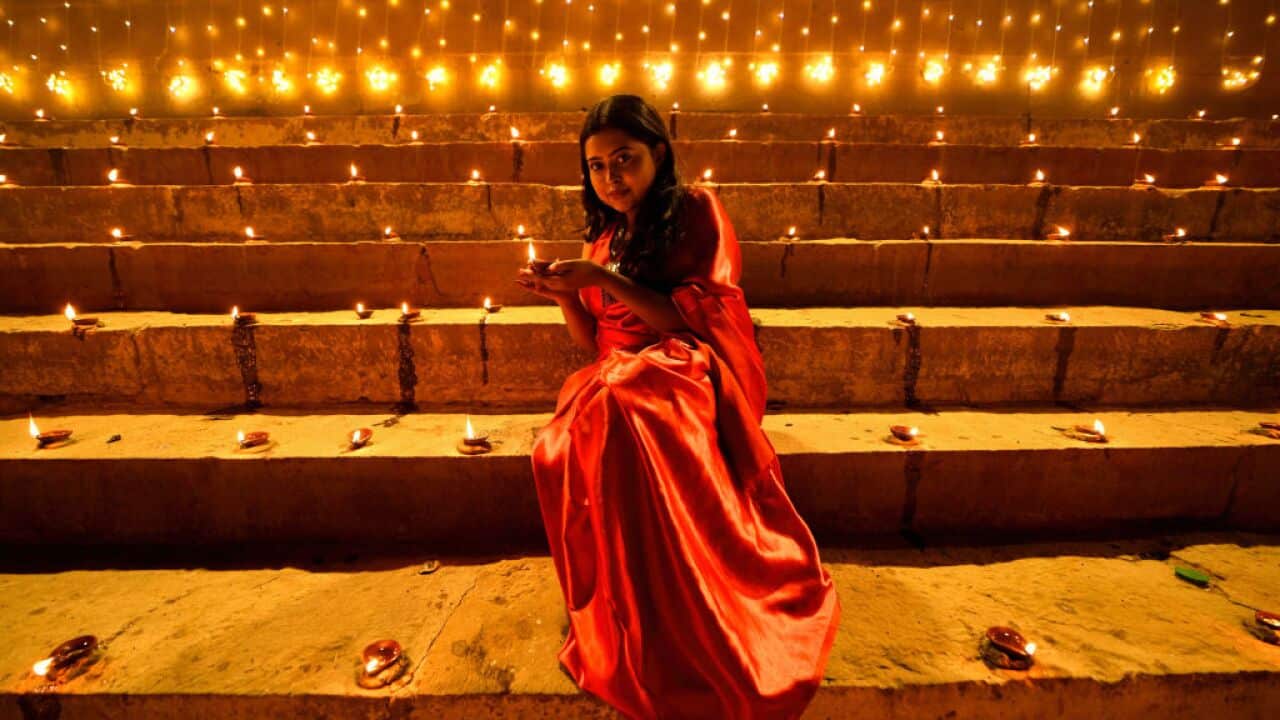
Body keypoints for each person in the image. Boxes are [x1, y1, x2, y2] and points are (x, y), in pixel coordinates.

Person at [517, 94, 840, 720]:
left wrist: (603, 282)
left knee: (629, 401)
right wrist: (563, 296)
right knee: (578, 427)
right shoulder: (602, 238)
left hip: (689, 363)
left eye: (625, 160)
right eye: (596, 167)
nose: (612, 178)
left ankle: (692, 606)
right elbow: (594, 341)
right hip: (619, 370)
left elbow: (695, 318)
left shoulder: (696, 211)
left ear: (658, 155)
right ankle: (633, 603)